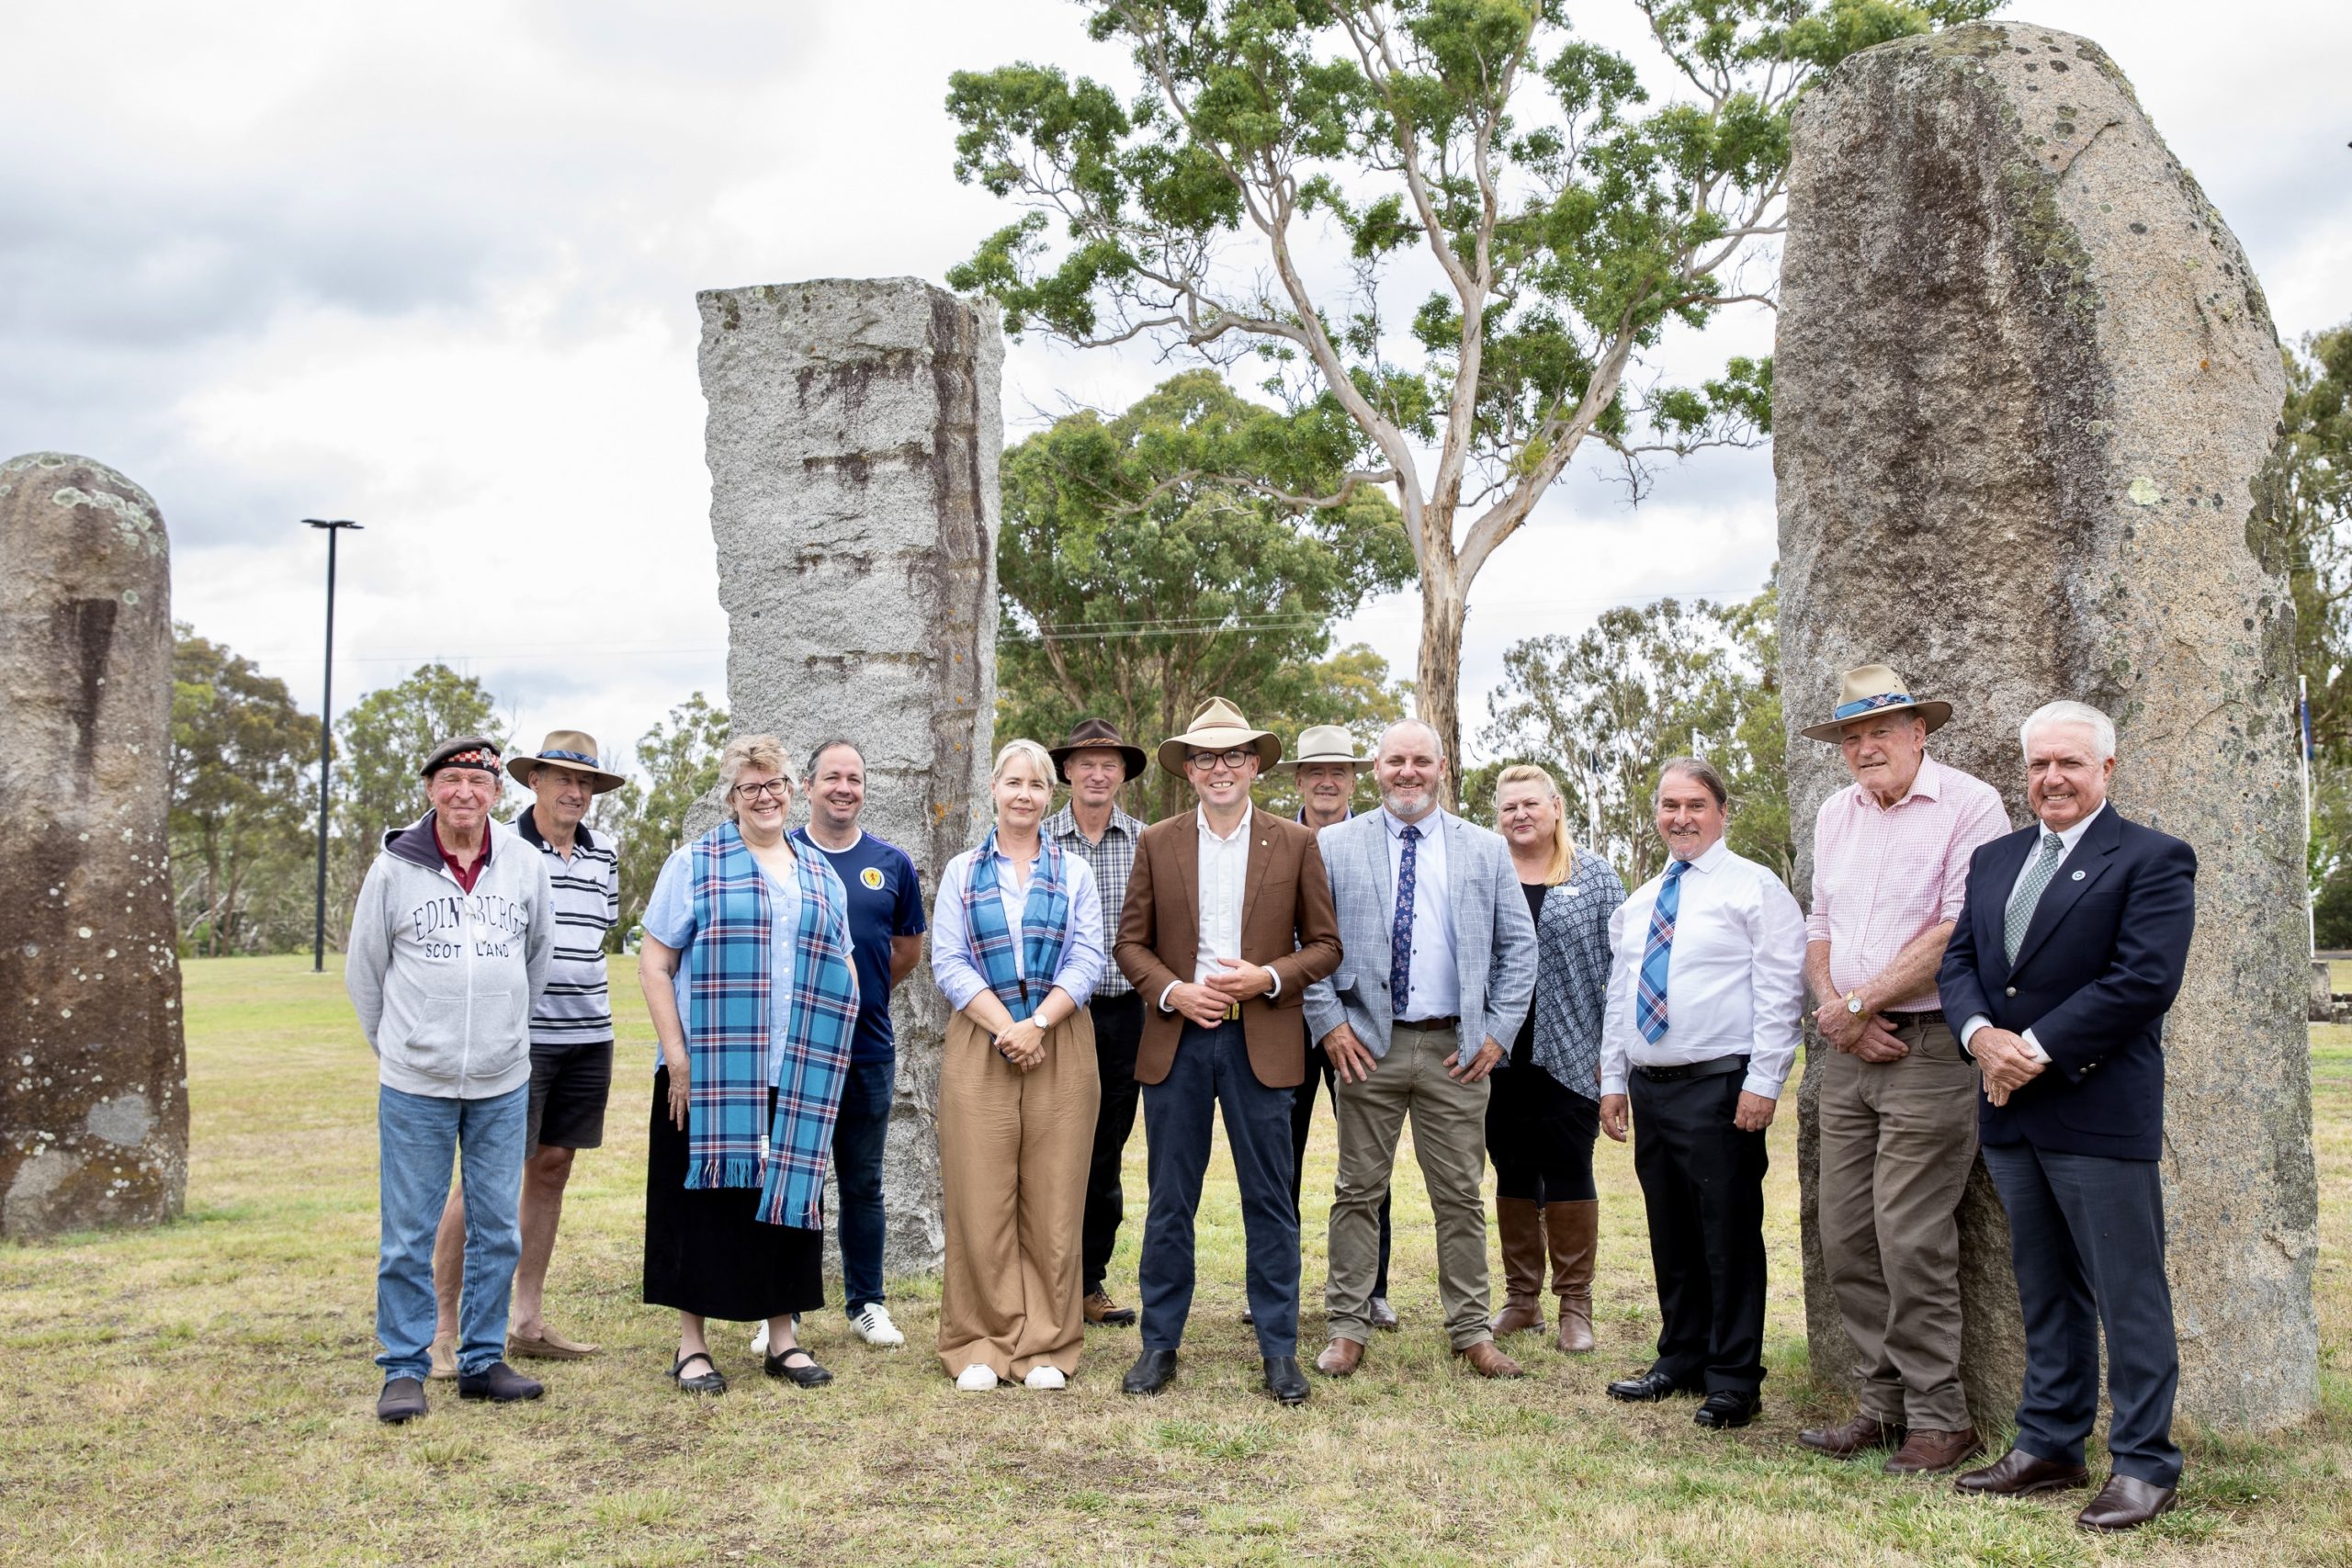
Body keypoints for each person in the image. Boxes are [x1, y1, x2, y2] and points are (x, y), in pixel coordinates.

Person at [1941, 702, 2196, 1532]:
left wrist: (2034, 1048)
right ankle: (2049, 1441)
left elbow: (2143, 981)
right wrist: (1983, 1038)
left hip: (2095, 1109)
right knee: (2044, 1289)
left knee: (2129, 1295)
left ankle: (2146, 1461)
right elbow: (1962, 965)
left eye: (2071, 764)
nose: (2052, 777)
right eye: (2040, 764)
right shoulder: (1995, 859)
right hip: (2010, 1113)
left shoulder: (2154, 859)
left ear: (2107, 770)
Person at [1793, 669, 2010, 1474]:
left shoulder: (1970, 804)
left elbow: (1961, 930)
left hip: (1927, 1048)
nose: (1865, 747)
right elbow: (1819, 925)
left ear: (1921, 732)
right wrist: (1839, 1011)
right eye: (1852, 736)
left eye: (1882, 730)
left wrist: (1861, 1000)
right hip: (1850, 1050)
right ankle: (1879, 1406)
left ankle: (1940, 1418)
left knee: (1910, 1234)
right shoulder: (1834, 813)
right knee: (1846, 1232)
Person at [1112, 699, 1343, 1404]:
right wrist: (1174, 991)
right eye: (1206, 757)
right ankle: (1159, 1344)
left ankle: (1279, 1349)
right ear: (1189, 770)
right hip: (1179, 1039)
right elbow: (1129, 944)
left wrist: (1268, 975)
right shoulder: (1157, 841)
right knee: (1170, 1200)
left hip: (1261, 1038)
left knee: (1270, 1199)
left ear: (1253, 765)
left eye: (1233, 755)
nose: (1220, 767)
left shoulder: (1295, 844)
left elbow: (1327, 947)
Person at [1304, 719, 1538, 1381]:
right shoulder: (1334, 845)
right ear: (1376, 768)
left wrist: (1496, 1033)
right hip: (1365, 1046)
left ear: (1443, 767)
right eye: (1395, 761)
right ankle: (1347, 1326)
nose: (1408, 772)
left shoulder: (1485, 850)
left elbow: (1519, 949)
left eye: (1421, 762)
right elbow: (1307, 939)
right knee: (1356, 1191)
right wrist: (1329, 1024)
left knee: (1460, 1193)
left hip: (1455, 1049)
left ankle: (1470, 1329)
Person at [637, 736, 861, 1396]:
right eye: (750, 786)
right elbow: (655, 962)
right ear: (733, 796)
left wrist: (834, 1046)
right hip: (707, 1074)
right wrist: (677, 1058)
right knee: (703, 1204)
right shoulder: (695, 863)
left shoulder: (817, 870)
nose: (766, 796)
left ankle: (783, 1338)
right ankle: (692, 1345)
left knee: (785, 1204)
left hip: (795, 1071)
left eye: (776, 783)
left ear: (795, 789)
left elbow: (841, 960)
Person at [346, 736, 554, 1424]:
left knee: (497, 1226)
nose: (465, 791)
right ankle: (404, 1366)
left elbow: (536, 960)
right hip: (416, 1082)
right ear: (431, 787)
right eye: (451, 778)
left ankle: (482, 1359)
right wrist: (403, 1046)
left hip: (501, 1078)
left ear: (497, 792)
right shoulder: (394, 868)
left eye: (479, 780)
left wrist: (503, 1037)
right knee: (408, 1230)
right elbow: (365, 973)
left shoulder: (523, 863)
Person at [1600, 758, 1805, 1431]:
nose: (1681, 818)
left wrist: (1764, 1080)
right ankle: (1680, 1357)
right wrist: (1612, 1079)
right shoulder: (1638, 902)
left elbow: (1781, 990)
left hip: (1721, 1086)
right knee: (1672, 1231)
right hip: (1650, 1085)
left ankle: (1733, 1377)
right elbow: (1618, 998)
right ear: (1656, 813)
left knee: (1727, 1234)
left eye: (1695, 804)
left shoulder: (1755, 887)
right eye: (1669, 805)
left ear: (1722, 811)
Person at [422, 731, 626, 1377]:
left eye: (586, 782)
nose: (575, 791)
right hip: (519, 1037)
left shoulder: (605, 857)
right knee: (483, 1177)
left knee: (553, 1166)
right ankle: (442, 1327)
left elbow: (596, 937)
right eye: (561, 778)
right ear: (532, 781)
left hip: (589, 1033)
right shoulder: (503, 852)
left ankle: (526, 1320)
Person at [930, 739, 1108, 1391]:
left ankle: (1045, 1347)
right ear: (994, 789)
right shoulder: (960, 871)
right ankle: (980, 1340)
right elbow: (947, 961)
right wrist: (1008, 1026)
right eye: (1014, 782)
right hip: (983, 1040)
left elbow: (1088, 958)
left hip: (1059, 1038)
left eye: (1037, 784)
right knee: (980, 1194)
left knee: (1055, 1197)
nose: (1025, 794)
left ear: (1049, 795)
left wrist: (1038, 1023)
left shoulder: (1076, 874)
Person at [750, 738, 926, 1354]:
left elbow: (904, 950)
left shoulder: (892, 863)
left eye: (854, 776)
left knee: (863, 1182)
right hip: (794, 1052)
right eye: (832, 776)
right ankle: (784, 1310)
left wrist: (855, 998)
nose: (844, 787)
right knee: (794, 1177)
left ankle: (867, 1303)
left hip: (868, 1051)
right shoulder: (779, 852)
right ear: (809, 783)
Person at [1266, 724, 1397, 1333]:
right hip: (1281, 1018)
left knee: (1367, 1158)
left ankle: (1371, 1288)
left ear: (1353, 780)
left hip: (1358, 1020)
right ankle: (1274, 1287)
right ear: (1297, 779)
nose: (1327, 781)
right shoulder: (1270, 839)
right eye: (1315, 771)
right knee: (1277, 1159)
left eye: (1339, 771)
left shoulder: (1381, 841)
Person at [1488, 765, 1624, 1354]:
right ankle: (1522, 1300)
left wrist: (1610, 1054)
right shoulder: (1486, 869)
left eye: (1531, 804)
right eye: (1509, 806)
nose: (1520, 815)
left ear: (1556, 807)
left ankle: (1576, 1306)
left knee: (1569, 1169)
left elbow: (1620, 973)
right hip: (1495, 1053)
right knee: (1512, 1170)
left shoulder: (1594, 876)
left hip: (1571, 1050)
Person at [1043, 718, 1150, 1330]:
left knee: (1105, 1154)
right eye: (1086, 762)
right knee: (1051, 1144)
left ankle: (1088, 1280)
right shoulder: (1039, 839)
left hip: (1123, 1016)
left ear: (1122, 775)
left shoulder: (1146, 842)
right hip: (1056, 1015)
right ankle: (1043, 1277)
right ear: (1067, 771)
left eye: (1109, 764)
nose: (1098, 773)